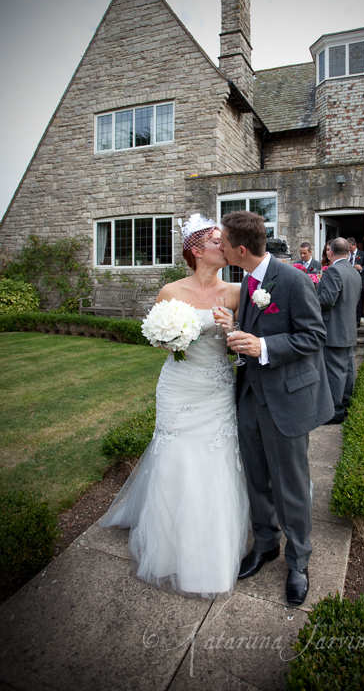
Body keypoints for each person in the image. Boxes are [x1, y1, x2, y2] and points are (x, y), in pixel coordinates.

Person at [98, 214, 249, 599]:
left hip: (215, 388)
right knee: (175, 455)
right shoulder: (170, 290)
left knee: (213, 460)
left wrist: (231, 328)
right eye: (218, 240)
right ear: (197, 250)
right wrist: (171, 338)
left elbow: (246, 344)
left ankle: (208, 551)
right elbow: (158, 337)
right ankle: (167, 545)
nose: (225, 244)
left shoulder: (236, 292)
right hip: (177, 387)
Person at [219, 211, 334, 607]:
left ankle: (299, 560)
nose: (218, 247)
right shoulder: (246, 280)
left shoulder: (293, 280)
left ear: (241, 249)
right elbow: (256, 331)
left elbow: (314, 336)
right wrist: (233, 328)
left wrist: (264, 347)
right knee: (257, 477)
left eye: (222, 242)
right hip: (250, 397)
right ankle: (265, 544)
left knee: (291, 485)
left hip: (285, 398)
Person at [317, 238, 361, 424]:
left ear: (330, 252)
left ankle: (334, 412)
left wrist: (309, 297)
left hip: (335, 329)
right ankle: (345, 404)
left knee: (335, 372)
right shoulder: (353, 271)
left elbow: (327, 300)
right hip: (348, 328)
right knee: (347, 370)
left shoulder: (334, 270)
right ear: (348, 252)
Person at [347, 237, 364, 326]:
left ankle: (357, 321)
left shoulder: (363, 254)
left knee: (358, 302)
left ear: (355, 245)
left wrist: (361, 268)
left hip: (359, 281)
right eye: (348, 248)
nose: (349, 249)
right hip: (348, 281)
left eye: (350, 247)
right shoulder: (346, 254)